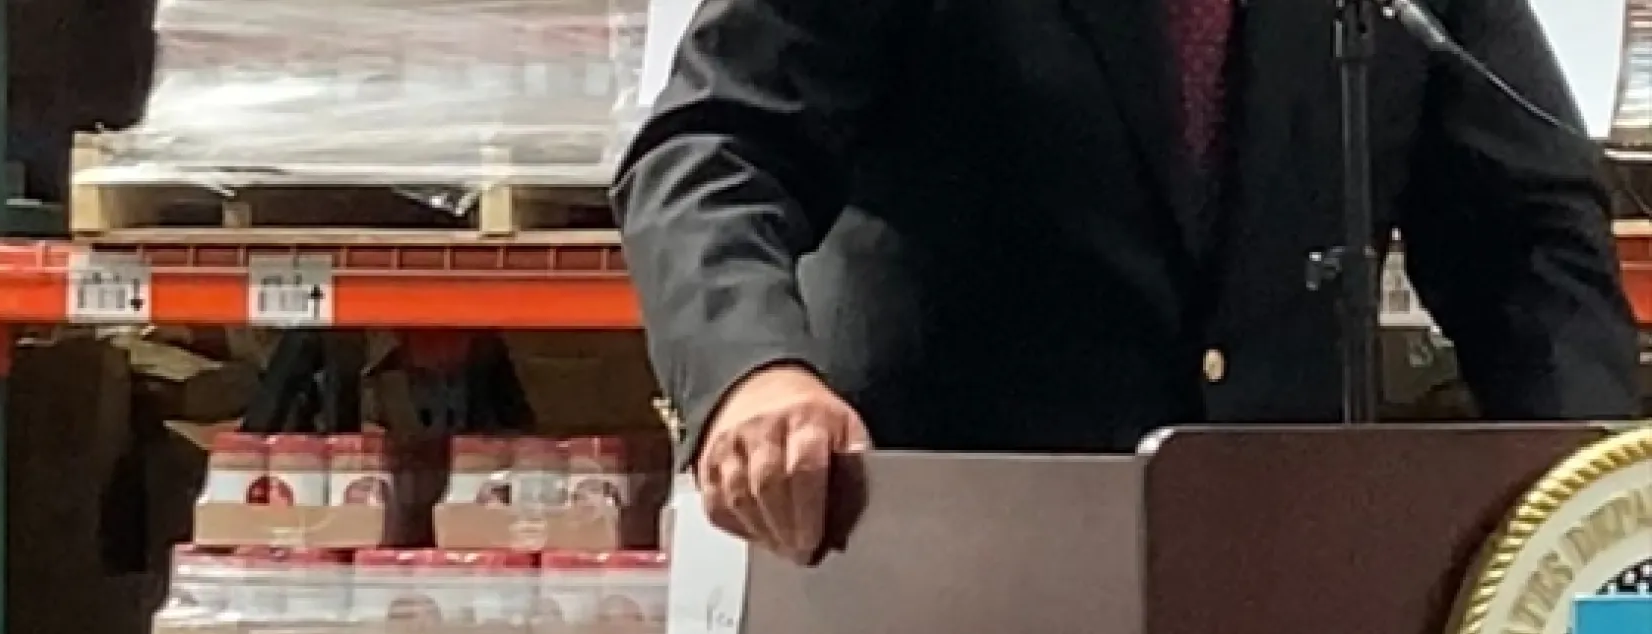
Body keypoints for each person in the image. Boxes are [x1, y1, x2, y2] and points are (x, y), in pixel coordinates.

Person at [612, 0, 1641, 562]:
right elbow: (714, 148)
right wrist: (753, 372)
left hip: (1277, 559)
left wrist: (1602, 509)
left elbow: (1526, 235)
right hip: (960, 558)